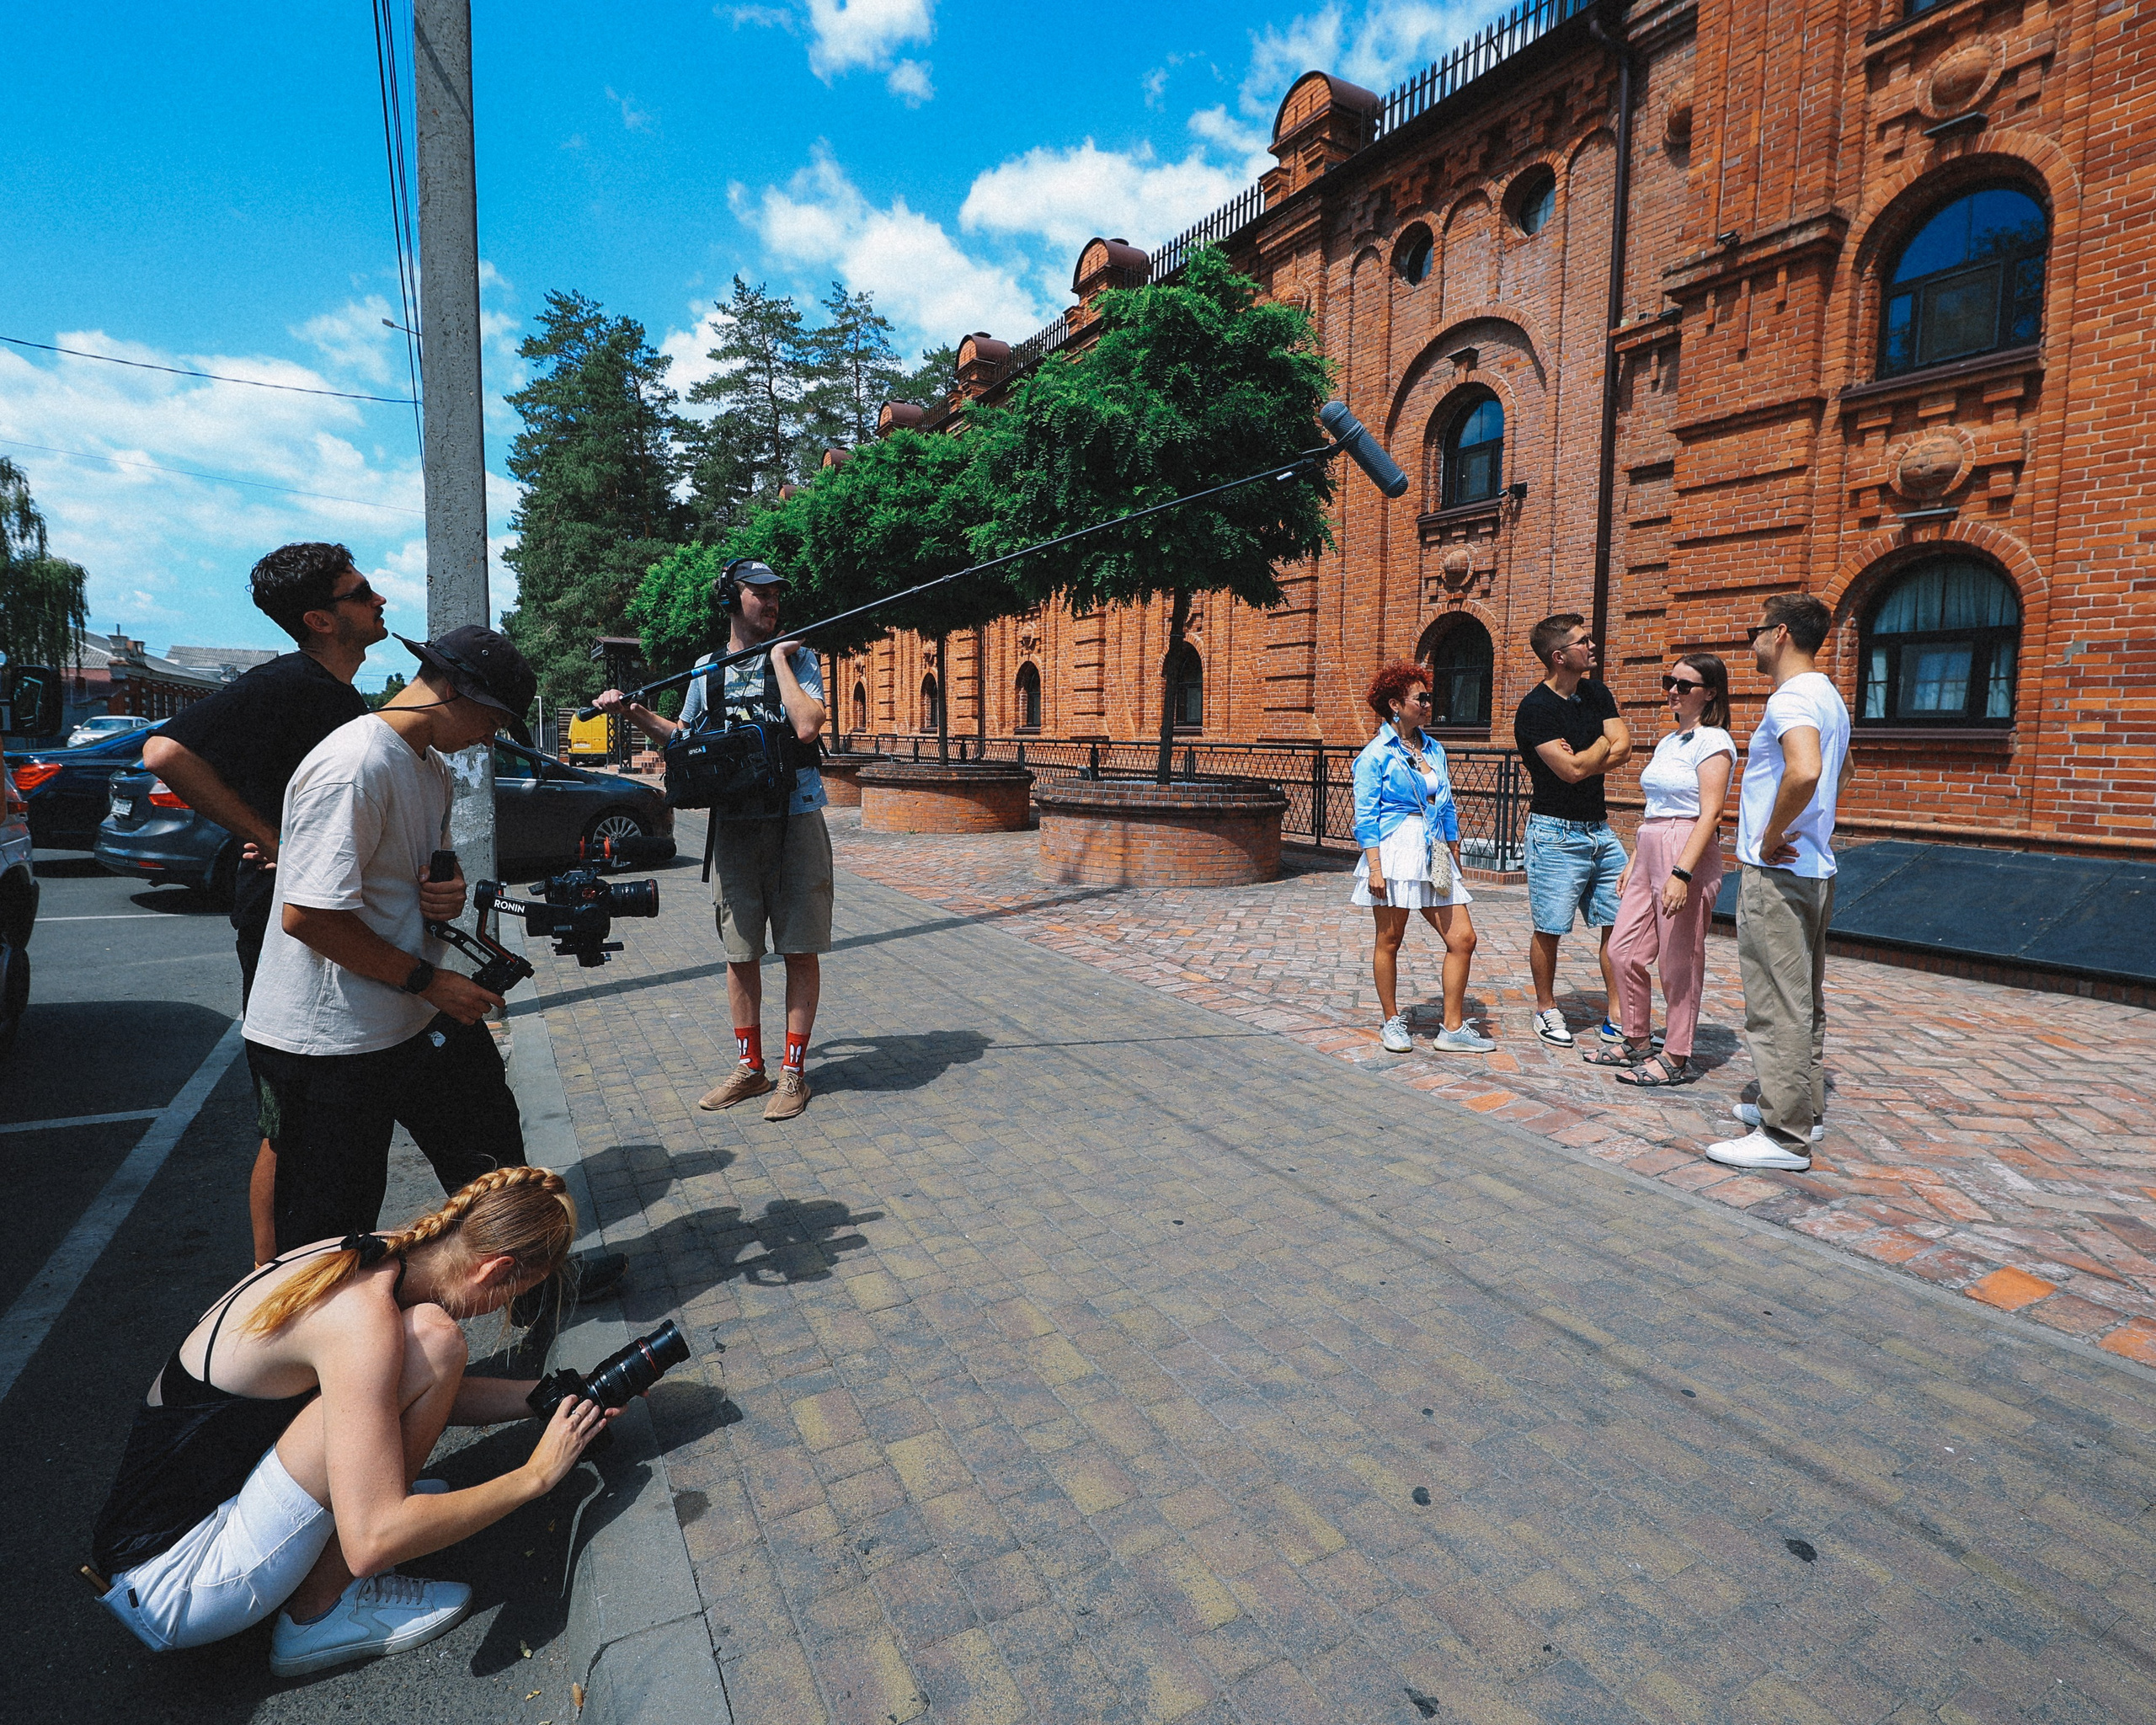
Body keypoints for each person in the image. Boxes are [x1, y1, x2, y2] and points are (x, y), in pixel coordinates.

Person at [89, 1167, 615, 1676]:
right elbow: (373, 1542)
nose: (504, 1306)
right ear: (494, 1270)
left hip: (176, 1526)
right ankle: (319, 1612)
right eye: (516, 1294)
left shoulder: (379, 1254)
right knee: (434, 1341)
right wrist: (535, 1475)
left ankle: (346, 1529)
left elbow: (387, 1392)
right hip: (178, 1582)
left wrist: (549, 1396)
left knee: (430, 1342)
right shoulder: (362, 1321)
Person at [243, 627, 536, 1250]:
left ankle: (531, 1277)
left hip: (408, 1013)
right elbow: (310, 917)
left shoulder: (430, 770)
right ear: (453, 688)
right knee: (330, 1226)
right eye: (493, 719)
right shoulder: (353, 767)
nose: (491, 736)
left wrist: (445, 893)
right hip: (330, 1040)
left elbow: (421, 875)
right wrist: (432, 980)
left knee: (493, 1156)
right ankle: (298, 1338)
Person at [146, 542, 384, 1267]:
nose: (380, 601)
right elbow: (164, 752)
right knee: (289, 1115)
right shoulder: (286, 683)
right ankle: (268, 1287)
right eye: (361, 592)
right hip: (285, 921)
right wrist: (266, 836)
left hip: (333, 915)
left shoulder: (337, 697)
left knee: (327, 1111)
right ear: (319, 618)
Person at [593, 559, 830, 1122]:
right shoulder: (706, 670)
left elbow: (808, 726)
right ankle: (751, 1069)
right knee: (739, 951)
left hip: (795, 817)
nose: (772, 603)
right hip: (734, 825)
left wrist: (777, 660)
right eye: (760, 593)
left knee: (799, 946)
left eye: (778, 594)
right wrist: (635, 711)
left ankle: (793, 1074)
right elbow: (684, 739)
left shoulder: (799, 659)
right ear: (731, 597)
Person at [1705, 594, 1852, 1171]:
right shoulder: (1829, 696)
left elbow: (1807, 768)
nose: (1752, 642)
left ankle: (1783, 1134)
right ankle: (1802, 1109)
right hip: (1814, 868)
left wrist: (1770, 834)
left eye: (1755, 630)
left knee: (1775, 1004)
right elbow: (1837, 770)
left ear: (1781, 633)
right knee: (1804, 999)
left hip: (1781, 872)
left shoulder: (1792, 696)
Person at [1584, 654, 1736, 1087]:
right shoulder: (1672, 741)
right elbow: (1655, 807)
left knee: (1678, 960)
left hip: (1686, 848)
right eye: (1670, 681)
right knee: (1623, 950)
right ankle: (1635, 1039)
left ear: (1709, 693)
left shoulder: (1715, 742)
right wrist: (1635, 861)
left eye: (1684, 685)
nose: (1672, 690)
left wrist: (1681, 874)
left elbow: (1710, 815)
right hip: (1651, 844)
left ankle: (1675, 1054)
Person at [1352, 661, 1495, 1055]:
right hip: (1395, 849)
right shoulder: (1375, 754)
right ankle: (1391, 1021)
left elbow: (1445, 805)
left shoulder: (1433, 748)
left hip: (1433, 850)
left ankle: (1451, 1028)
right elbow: (1365, 816)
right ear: (1397, 704)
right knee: (1391, 938)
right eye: (1422, 698)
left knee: (1462, 938)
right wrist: (1375, 868)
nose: (1430, 704)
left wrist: (1453, 850)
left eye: (1429, 697)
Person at [1512, 613, 1632, 1048]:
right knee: (1551, 927)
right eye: (1584, 641)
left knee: (1619, 922)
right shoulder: (1536, 710)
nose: (1593, 646)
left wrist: (1585, 755)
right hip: (1554, 833)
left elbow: (1625, 747)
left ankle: (1618, 1013)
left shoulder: (1597, 691)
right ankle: (1546, 1008)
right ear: (1560, 656)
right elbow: (1571, 772)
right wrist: (1598, 747)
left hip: (1600, 831)